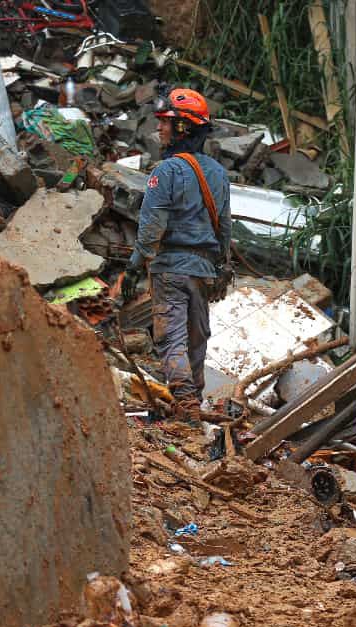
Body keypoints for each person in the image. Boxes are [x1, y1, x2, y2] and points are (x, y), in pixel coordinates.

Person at [128, 88, 231, 421]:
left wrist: (132, 268)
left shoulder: (166, 171)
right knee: (196, 338)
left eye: (165, 122)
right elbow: (225, 228)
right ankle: (192, 403)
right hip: (203, 270)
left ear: (183, 127)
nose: (159, 128)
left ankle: (186, 406)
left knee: (172, 338)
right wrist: (222, 266)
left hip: (170, 269)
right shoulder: (219, 173)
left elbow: (151, 228)